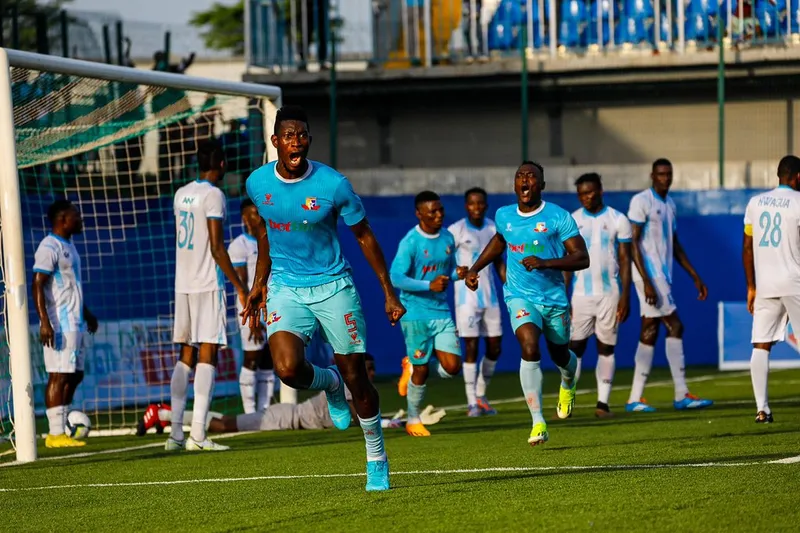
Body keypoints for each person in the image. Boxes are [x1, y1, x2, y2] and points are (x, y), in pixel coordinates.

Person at [240, 105, 405, 492]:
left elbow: (364, 236)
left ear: (308, 140)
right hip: (285, 286)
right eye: (289, 135)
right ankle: (328, 384)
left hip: (333, 287)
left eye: (302, 135)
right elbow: (266, 231)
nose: (296, 141)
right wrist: (260, 280)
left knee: (357, 378)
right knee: (286, 369)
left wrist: (387, 291)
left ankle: (376, 456)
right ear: (275, 141)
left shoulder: (333, 185)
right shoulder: (256, 183)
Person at [464, 161, 588, 446]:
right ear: (515, 184)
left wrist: (546, 262)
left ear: (541, 185)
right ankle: (538, 422)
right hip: (519, 295)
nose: (525, 180)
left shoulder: (558, 217)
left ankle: (568, 381)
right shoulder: (504, 215)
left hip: (554, 299)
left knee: (560, 356)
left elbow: (582, 258)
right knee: (529, 346)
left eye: (532, 176)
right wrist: (475, 268)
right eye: (520, 175)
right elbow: (499, 242)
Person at [168, 140, 249, 452]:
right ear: (223, 164)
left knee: (185, 355)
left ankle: (176, 434)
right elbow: (217, 247)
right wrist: (240, 287)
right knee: (209, 352)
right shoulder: (214, 195)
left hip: (182, 284)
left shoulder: (180, 193)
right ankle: (198, 436)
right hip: (207, 284)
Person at [138, 355, 447, 435]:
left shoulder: (362, 392)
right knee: (223, 425)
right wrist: (399, 421)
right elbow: (358, 418)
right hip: (283, 419)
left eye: (372, 368)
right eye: (366, 368)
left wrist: (402, 417)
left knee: (224, 424)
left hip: (290, 419)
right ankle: (165, 414)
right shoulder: (344, 385)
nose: (370, 373)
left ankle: (167, 416)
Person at [625, 158, 713, 412]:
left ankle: (634, 398)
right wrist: (648, 282)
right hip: (649, 277)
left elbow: (675, 244)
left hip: (661, 276)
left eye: (669, 174)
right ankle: (681, 393)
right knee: (675, 325)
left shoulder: (670, 204)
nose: (666, 178)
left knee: (649, 331)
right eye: (661, 174)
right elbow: (633, 243)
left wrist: (694, 275)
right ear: (652, 175)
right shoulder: (641, 201)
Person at [392, 191, 465, 437]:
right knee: (422, 369)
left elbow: (448, 271)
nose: (438, 215)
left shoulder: (447, 238)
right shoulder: (410, 242)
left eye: (441, 210)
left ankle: (412, 365)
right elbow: (396, 277)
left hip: (441, 312)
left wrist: (461, 274)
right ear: (419, 214)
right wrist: (427, 286)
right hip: (415, 314)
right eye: (432, 211)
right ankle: (413, 418)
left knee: (453, 367)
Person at [564, 173, 632, 418]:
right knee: (574, 348)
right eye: (582, 193)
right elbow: (567, 263)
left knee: (606, 348)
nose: (586, 197)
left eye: (590, 192)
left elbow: (625, 260)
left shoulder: (618, 219)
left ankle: (602, 404)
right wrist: (563, 296)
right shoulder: (572, 220)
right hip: (580, 296)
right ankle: (568, 399)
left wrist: (626, 296)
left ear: (600, 190)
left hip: (609, 294)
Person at [32, 200, 98, 448]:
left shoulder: (69, 245)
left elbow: (72, 288)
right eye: (75, 215)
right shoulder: (49, 247)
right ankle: (55, 433)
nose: (80, 219)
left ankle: (64, 424)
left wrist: (87, 313)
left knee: (76, 374)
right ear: (62, 219)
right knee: (58, 375)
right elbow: (37, 283)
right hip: (59, 323)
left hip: (75, 321)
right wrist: (44, 322)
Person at [743, 155, 800, 424]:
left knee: (761, 344)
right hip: (794, 281)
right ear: (798, 177)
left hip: (765, 283)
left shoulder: (755, 203)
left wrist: (751, 286)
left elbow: (746, 247)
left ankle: (762, 408)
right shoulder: (799, 201)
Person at [447, 187, 505, 416]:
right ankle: (472, 402)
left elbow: (499, 260)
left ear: (486, 205)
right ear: (466, 206)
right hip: (466, 300)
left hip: (490, 298)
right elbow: (446, 260)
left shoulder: (493, 228)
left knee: (495, 347)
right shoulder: (456, 230)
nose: (476, 207)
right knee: (470, 347)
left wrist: (507, 283)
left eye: (480, 203)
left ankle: (481, 394)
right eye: (472, 203)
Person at [229, 199, 275, 413]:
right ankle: (250, 413)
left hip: (271, 306)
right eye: (255, 213)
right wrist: (254, 317)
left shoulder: (270, 240)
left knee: (268, 358)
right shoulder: (240, 245)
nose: (259, 217)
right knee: (252, 357)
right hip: (250, 310)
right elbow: (243, 288)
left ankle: (265, 411)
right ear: (245, 219)